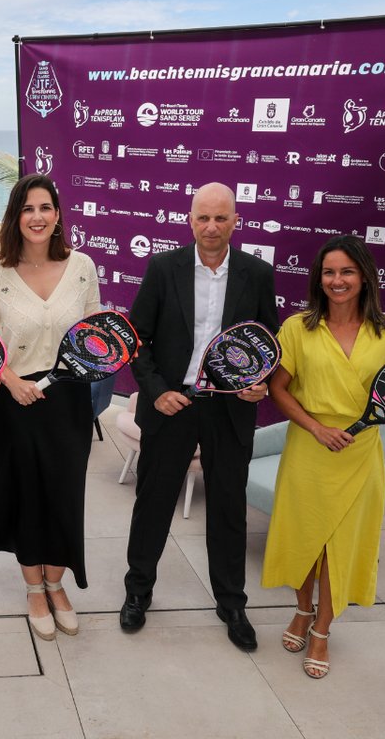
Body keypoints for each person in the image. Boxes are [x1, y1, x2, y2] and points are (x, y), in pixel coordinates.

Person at [119, 182, 279, 651]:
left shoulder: (257, 273)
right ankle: (137, 592)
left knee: (228, 507)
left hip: (229, 409)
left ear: (235, 221)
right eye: (203, 217)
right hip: (172, 404)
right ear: (190, 220)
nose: (211, 227)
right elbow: (137, 340)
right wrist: (157, 391)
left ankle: (231, 603)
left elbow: (266, 341)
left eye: (221, 218)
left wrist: (260, 382)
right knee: (153, 503)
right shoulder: (163, 268)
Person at [263, 235, 385, 679]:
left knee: (341, 548)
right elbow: (278, 388)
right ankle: (303, 610)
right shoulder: (298, 327)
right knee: (306, 541)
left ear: (364, 276)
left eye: (346, 271)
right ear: (318, 278)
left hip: (360, 452)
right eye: (329, 272)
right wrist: (316, 428)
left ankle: (323, 630)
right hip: (310, 446)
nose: (337, 280)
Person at [0, 174, 100, 641]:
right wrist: (10, 381)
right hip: (17, 403)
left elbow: (92, 340)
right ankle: (33, 588)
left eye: (45, 207)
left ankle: (57, 583)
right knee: (26, 495)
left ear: (58, 215)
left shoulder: (83, 266)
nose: (38, 217)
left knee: (65, 495)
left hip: (68, 401)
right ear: (16, 217)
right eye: (28, 209)